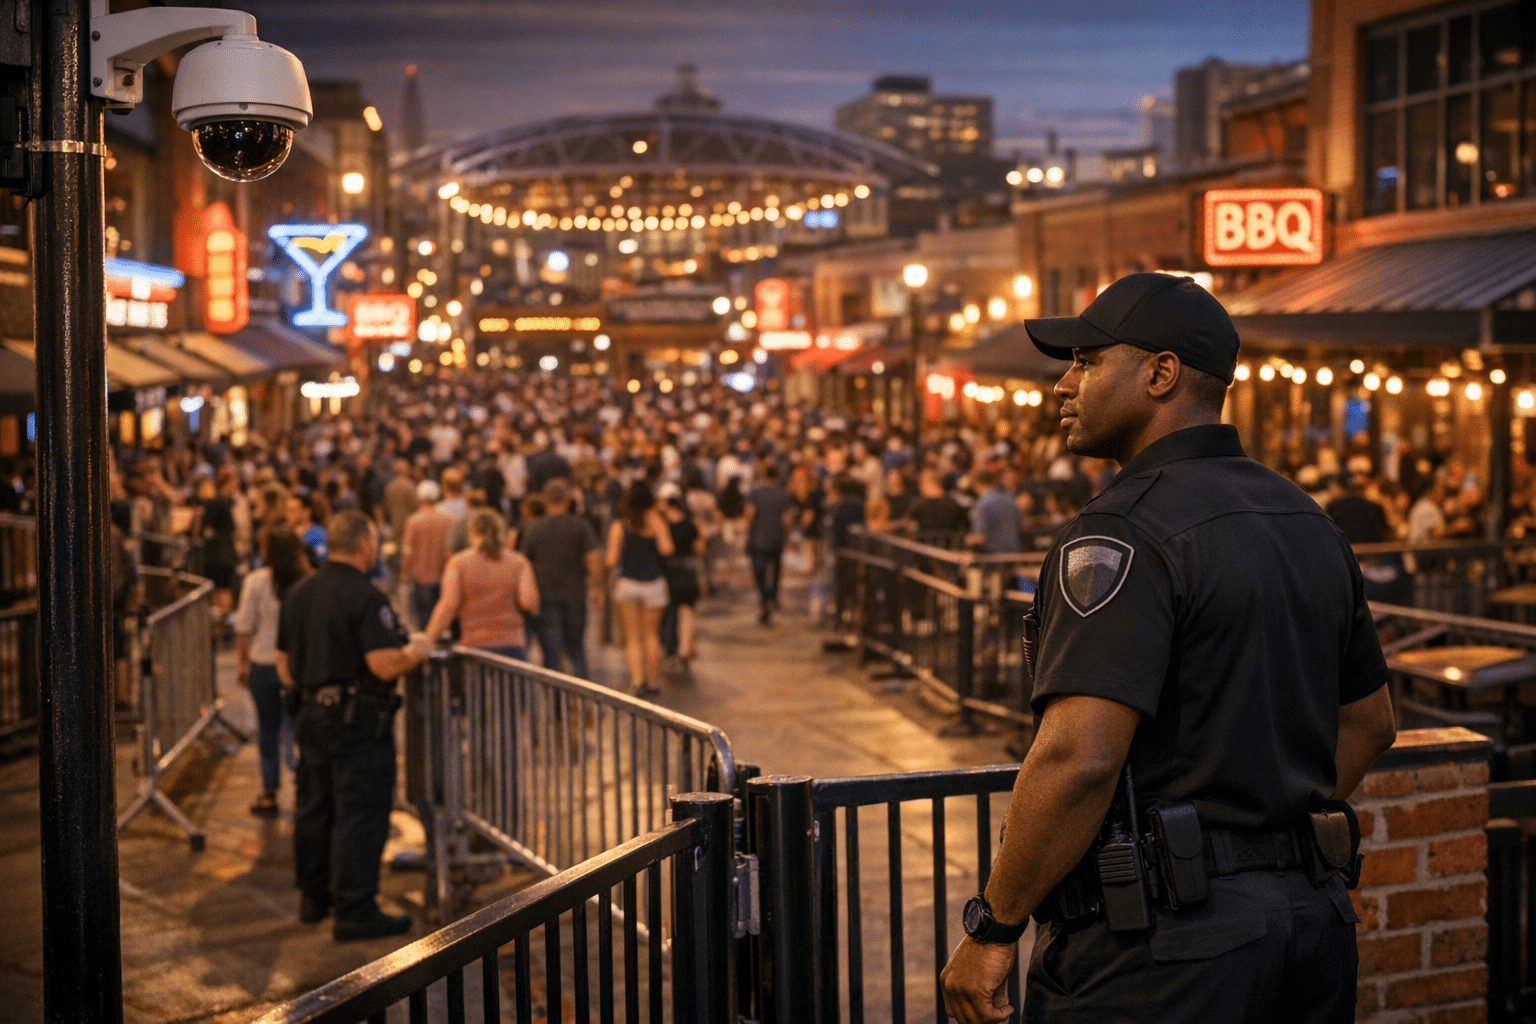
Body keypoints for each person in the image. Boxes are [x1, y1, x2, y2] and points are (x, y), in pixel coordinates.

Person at [940, 273, 1397, 1024]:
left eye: (1087, 361)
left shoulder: (1120, 530)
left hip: (1166, 950)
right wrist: (1261, 833)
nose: (1064, 384)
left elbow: (1079, 759)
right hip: (1310, 922)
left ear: (1160, 374)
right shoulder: (1307, 518)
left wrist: (994, 927)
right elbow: (1371, 723)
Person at [276, 510, 434, 942]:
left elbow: (283, 661)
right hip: (356, 722)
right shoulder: (366, 598)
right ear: (364, 544)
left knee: (315, 806)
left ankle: (314, 897)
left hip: (309, 714)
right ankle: (355, 908)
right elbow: (383, 665)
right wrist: (416, 652)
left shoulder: (299, 592)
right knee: (359, 813)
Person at [233, 527, 308, 817]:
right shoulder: (305, 583)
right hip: (296, 666)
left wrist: (241, 662)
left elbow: (243, 628)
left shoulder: (255, 582)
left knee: (267, 729)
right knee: (298, 729)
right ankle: (304, 785)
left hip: (263, 665)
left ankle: (269, 791)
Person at [424, 509, 539, 660]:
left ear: (471, 532)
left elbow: (448, 605)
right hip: (512, 643)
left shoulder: (459, 562)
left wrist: (427, 641)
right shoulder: (519, 562)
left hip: (475, 643)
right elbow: (528, 602)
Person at [522, 478, 603, 679]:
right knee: (576, 649)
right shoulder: (581, 526)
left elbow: (523, 562)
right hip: (575, 594)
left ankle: (557, 705)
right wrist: (598, 588)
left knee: (551, 652)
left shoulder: (534, 528)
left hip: (546, 596)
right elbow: (594, 557)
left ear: (544, 500)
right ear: (567, 500)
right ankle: (583, 700)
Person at [606, 480, 674, 695]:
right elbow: (667, 549)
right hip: (653, 583)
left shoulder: (620, 525)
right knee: (651, 636)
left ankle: (637, 681)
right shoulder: (655, 521)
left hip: (628, 584)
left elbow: (611, 560)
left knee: (633, 637)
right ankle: (653, 682)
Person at [657, 482, 704, 673]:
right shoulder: (691, 523)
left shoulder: (660, 525)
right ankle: (684, 652)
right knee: (686, 613)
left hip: (667, 572)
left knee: (668, 613)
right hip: (687, 571)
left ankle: (670, 652)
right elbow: (700, 549)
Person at [399, 479, 454, 631]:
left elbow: (407, 552)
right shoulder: (448, 520)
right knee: (441, 622)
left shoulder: (413, 521)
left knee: (424, 624)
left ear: (419, 498)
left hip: (420, 578)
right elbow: (450, 552)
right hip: (442, 577)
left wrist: (404, 574)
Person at [744, 462, 793, 625]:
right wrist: (787, 537)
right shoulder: (782, 494)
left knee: (760, 572)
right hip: (776, 537)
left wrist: (746, 534)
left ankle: (765, 598)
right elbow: (787, 519)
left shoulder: (755, 493)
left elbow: (749, 514)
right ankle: (772, 596)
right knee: (776, 570)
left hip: (758, 538)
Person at [966, 467, 1022, 554]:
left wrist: (968, 540)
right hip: (1012, 554)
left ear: (976, 484)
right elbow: (1020, 524)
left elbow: (980, 537)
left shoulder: (982, 504)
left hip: (992, 557)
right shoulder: (1009, 499)